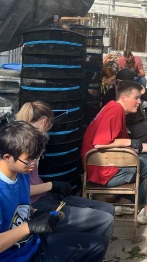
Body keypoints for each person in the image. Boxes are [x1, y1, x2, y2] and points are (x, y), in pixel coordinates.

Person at [0, 122, 105, 262]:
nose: (33, 164)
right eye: (29, 160)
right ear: (7, 157)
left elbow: (16, 209)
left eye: (37, 156)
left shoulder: (19, 172)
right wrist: (28, 227)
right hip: (14, 258)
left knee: (97, 244)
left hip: (32, 247)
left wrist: (35, 213)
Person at [15, 101, 115, 245]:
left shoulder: (31, 142)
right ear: (44, 121)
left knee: (107, 208)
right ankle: (87, 249)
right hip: (37, 204)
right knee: (104, 219)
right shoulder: (24, 148)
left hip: (46, 196)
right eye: (50, 124)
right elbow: (21, 191)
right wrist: (52, 185)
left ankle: (91, 248)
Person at [80, 80, 147, 225]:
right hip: (103, 172)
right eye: (136, 98)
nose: (139, 102)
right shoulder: (115, 111)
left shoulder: (112, 108)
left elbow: (120, 145)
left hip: (102, 166)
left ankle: (124, 203)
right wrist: (129, 142)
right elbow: (100, 143)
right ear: (123, 98)